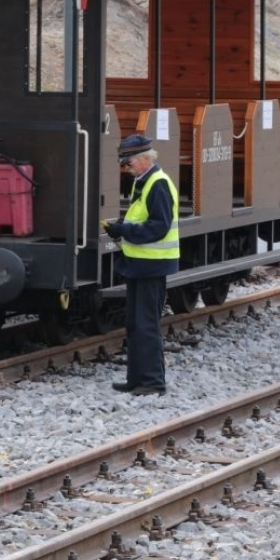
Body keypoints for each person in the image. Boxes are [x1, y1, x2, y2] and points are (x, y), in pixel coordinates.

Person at [103, 134, 178, 396]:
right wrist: (120, 227)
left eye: (129, 162)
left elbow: (159, 226)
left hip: (153, 265)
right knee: (135, 323)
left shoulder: (158, 184)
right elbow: (143, 220)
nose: (126, 167)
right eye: (123, 163)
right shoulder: (143, 182)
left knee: (146, 323)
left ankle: (153, 382)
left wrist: (125, 230)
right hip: (139, 263)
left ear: (146, 158)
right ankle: (136, 379)